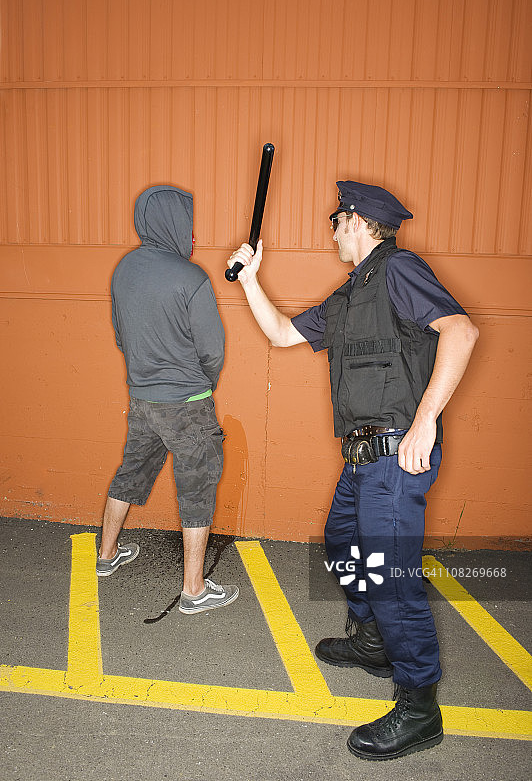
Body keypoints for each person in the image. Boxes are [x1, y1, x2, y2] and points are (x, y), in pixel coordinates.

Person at [227, 180, 478, 760]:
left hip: (395, 451)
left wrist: (425, 422)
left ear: (361, 221)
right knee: (342, 541)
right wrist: (253, 278)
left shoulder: (398, 270)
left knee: (393, 578)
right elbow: (283, 334)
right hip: (362, 459)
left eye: (336, 220)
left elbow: (460, 332)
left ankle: (419, 708)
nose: (333, 229)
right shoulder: (349, 294)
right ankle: (371, 641)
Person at [97, 184, 239, 616]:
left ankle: (107, 555)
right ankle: (194, 590)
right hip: (187, 403)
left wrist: (147, 375)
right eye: (188, 221)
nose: (191, 232)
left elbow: (122, 337)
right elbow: (213, 348)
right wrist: (202, 385)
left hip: (142, 399)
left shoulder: (123, 271)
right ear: (175, 222)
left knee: (131, 471)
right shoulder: (190, 276)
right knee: (197, 487)